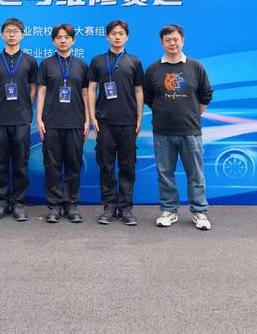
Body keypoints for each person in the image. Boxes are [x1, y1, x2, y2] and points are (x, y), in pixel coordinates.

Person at [143, 24, 214, 231]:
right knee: (165, 173)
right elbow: (148, 97)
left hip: (190, 131)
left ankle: (199, 211)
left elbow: (206, 95)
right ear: (161, 43)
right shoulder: (153, 69)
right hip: (162, 131)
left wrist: (191, 114)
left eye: (175, 39)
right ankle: (168, 210)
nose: (172, 43)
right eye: (168, 40)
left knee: (196, 174)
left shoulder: (195, 66)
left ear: (182, 41)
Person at [87, 20, 144, 226]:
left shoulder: (134, 61)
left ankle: (126, 208)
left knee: (127, 166)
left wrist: (139, 118)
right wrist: (92, 116)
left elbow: (139, 91)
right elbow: (91, 89)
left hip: (128, 122)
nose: (117, 37)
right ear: (107, 37)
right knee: (106, 165)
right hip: (104, 122)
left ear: (126, 37)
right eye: (113, 33)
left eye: (121, 34)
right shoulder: (98, 61)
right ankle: (109, 207)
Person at [0, 17, 38, 222]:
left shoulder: (30, 61)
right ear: (2, 35)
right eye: (8, 31)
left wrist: (24, 106)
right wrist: (0, 104)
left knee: (20, 162)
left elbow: (33, 88)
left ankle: (18, 203)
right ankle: (1, 203)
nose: (12, 34)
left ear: (22, 35)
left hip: (21, 118)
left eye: (16, 31)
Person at [36, 24, 89, 223]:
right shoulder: (46, 64)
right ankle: (55, 206)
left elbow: (85, 94)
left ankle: (72, 205)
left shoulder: (81, 65)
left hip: (75, 122)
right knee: (52, 166)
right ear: (53, 41)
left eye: (67, 37)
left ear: (73, 40)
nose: (63, 40)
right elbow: (41, 92)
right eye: (59, 37)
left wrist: (87, 120)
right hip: (51, 123)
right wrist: (39, 119)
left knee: (74, 166)